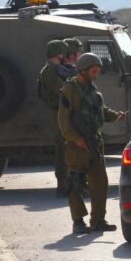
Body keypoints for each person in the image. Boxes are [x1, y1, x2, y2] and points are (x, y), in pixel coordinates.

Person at [58, 53, 125, 234]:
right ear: (83, 70)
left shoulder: (92, 90)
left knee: (100, 183)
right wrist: (76, 139)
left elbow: (100, 111)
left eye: (97, 71)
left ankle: (98, 220)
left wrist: (115, 116)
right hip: (76, 146)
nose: (96, 75)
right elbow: (63, 121)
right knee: (75, 184)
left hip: (93, 142)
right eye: (94, 71)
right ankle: (78, 221)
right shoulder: (70, 90)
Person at [38, 40, 77, 197]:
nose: (65, 56)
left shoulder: (58, 69)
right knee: (62, 146)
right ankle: (62, 184)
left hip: (65, 111)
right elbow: (63, 91)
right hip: (58, 112)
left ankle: (72, 181)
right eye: (63, 53)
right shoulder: (49, 72)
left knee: (69, 146)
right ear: (57, 54)